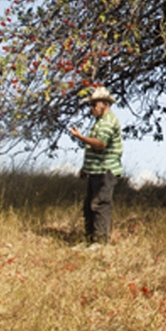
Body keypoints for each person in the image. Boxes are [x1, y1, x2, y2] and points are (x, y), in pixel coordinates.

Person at [70, 86, 123, 247]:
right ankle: (90, 239)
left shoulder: (108, 122)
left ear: (105, 104)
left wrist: (81, 137)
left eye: (94, 104)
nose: (91, 108)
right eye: (90, 105)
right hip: (96, 169)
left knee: (100, 205)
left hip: (105, 171)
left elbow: (100, 144)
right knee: (89, 206)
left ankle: (100, 241)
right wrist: (85, 168)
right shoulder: (100, 122)